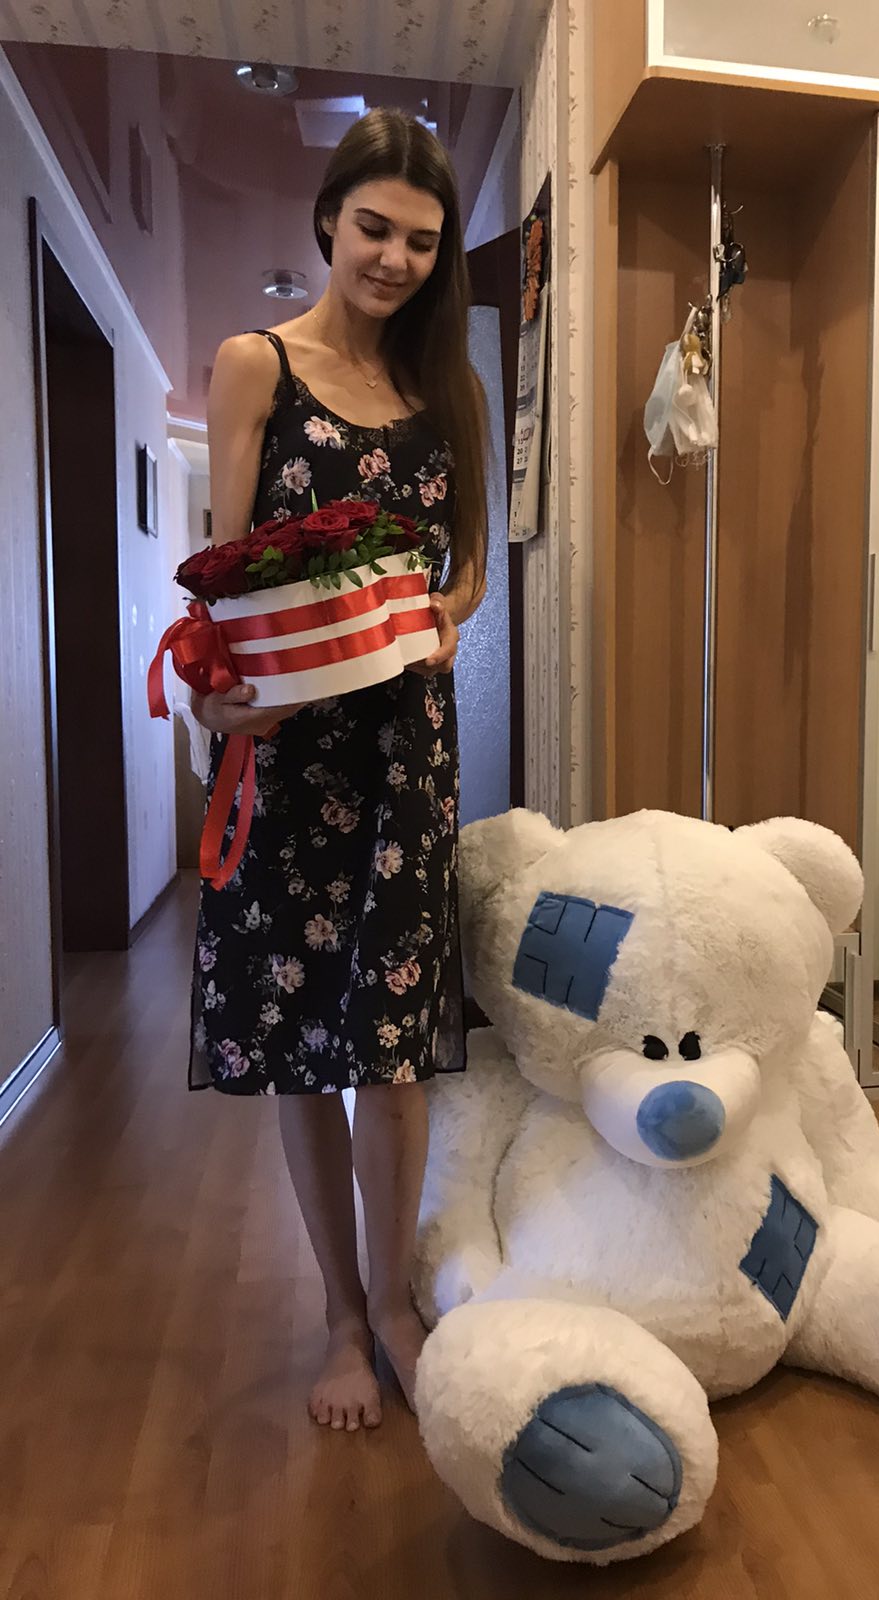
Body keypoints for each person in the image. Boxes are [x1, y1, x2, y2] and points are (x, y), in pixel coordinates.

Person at [189, 109, 488, 1432]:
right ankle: (339, 1317)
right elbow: (226, 575)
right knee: (305, 1047)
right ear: (328, 219)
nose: (394, 259)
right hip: (291, 754)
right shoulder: (254, 366)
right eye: (374, 228)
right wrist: (219, 695)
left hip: (406, 755)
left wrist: (437, 618)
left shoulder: (447, 389)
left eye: (421, 241)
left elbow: (465, 570)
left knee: (396, 1054)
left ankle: (399, 1306)